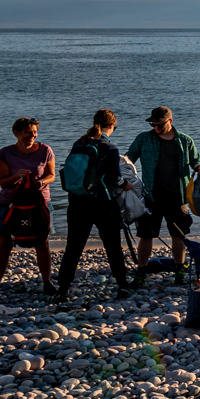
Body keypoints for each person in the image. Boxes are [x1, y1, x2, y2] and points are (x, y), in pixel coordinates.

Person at [56, 109, 130, 301]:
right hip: (103, 203)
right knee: (113, 246)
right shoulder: (110, 148)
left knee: (73, 247)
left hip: (77, 201)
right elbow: (115, 178)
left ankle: (62, 290)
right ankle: (122, 287)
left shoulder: (78, 143)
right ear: (112, 126)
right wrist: (126, 185)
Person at [127, 106, 200, 285]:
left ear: (170, 121)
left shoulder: (185, 140)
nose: (156, 128)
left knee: (178, 235)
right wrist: (127, 181)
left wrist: (198, 167)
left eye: (159, 125)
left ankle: (179, 272)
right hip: (150, 197)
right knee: (146, 235)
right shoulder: (143, 139)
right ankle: (141, 273)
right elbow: (128, 159)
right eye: (153, 124)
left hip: (178, 196)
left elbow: (195, 160)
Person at [0, 117, 56, 298]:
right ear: (16, 133)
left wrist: (40, 182)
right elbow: (3, 183)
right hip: (10, 204)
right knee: (4, 245)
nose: (32, 135)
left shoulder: (45, 150)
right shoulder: (4, 154)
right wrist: (17, 176)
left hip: (39, 203)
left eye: (34, 132)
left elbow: (51, 175)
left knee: (42, 243)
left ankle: (47, 283)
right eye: (27, 132)